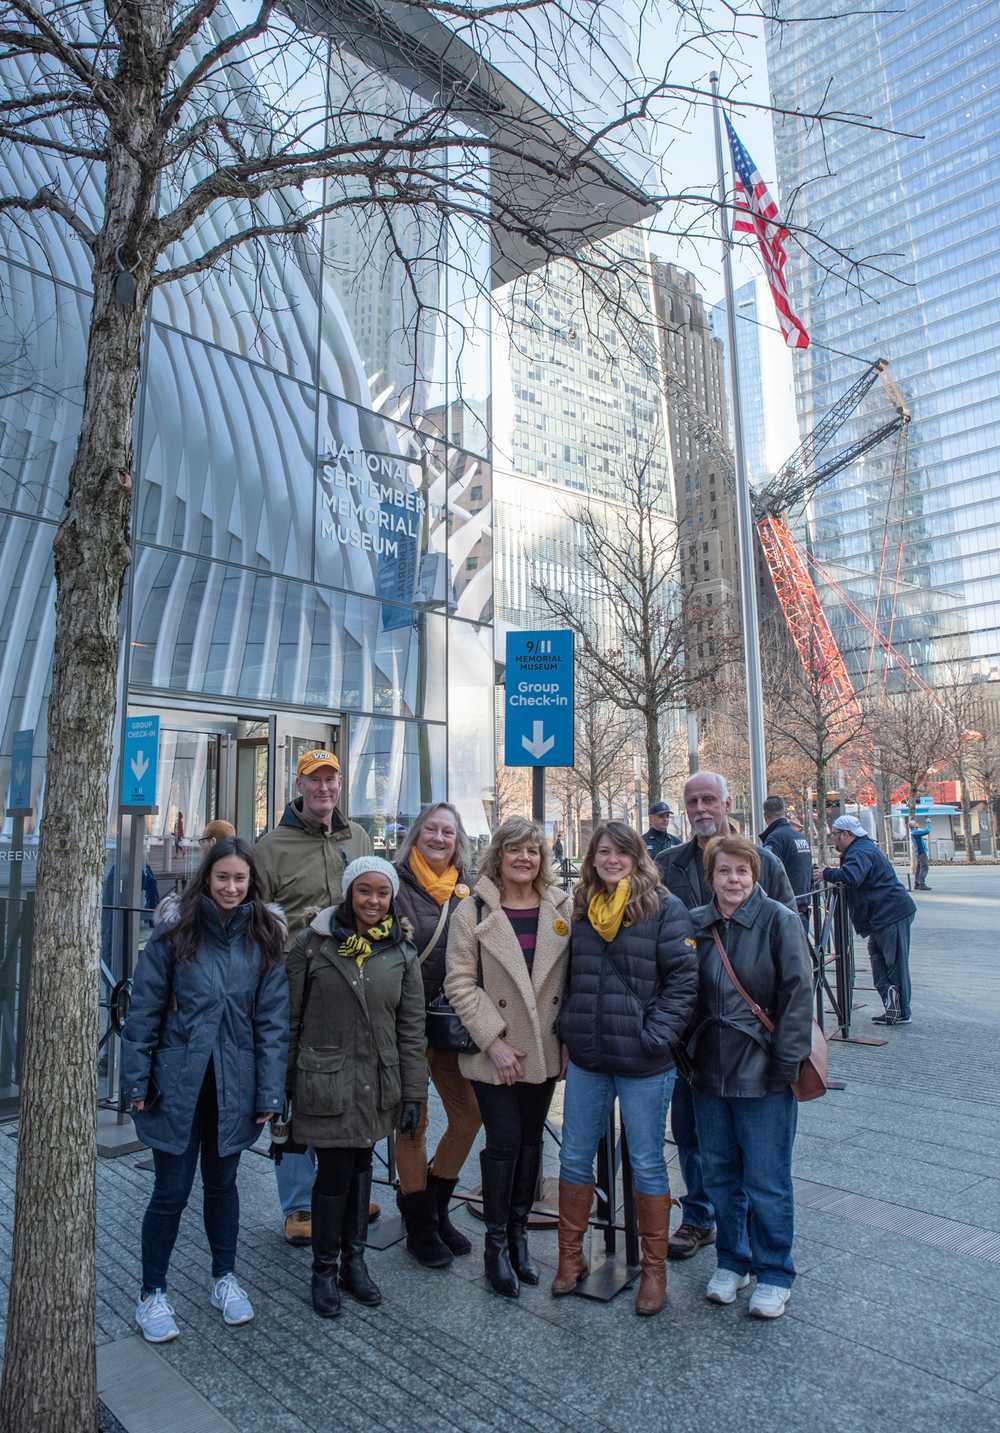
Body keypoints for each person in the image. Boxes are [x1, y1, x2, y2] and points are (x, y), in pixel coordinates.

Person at [121, 839, 289, 1344]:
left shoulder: (263, 939)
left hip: (234, 1085)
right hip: (177, 1083)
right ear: (206, 879)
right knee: (170, 1190)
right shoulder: (176, 934)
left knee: (223, 1186)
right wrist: (135, 1079)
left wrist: (270, 1093)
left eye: (240, 879)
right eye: (222, 878)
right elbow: (144, 1009)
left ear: (251, 882)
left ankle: (224, 1277)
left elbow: (273, 1023)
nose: (231, 888)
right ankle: (152, 1293)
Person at [554, 822, 697, 1316]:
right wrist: (568, 1029)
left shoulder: (664, 907)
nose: (611, 860)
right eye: (602, 852)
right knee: (573, 1157)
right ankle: (569, 1258)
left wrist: (654, 1035)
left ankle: (653, 1273)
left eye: (621, 852)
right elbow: (568, 975)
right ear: (591, 858)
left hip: (643, 1062)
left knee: (647, 1160)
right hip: (591, 1057)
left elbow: (683, 981)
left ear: (637, 857)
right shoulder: (581, 908)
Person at [656, 771, 796, 1263]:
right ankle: (699, 1216)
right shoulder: (667, 863)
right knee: (693, 1133)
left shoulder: (766, 862)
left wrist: (788, 1046)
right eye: (692, 800)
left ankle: (765, 1255)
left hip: (752, 1037)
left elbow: (793, 947)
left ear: (728, 801)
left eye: (708, 798)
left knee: (759, 1156)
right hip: (691, 1034)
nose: (699, 808)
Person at [286, 856, 427, 1318]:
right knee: (333, 1174)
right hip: (325, 1080)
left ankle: (355, 1262)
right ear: (349, 893)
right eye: (364, 891)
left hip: (376, 1080)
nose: (373, 900)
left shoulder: (401, 952)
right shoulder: (312, 946)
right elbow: (288, 1019)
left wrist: (414, 1093)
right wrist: (280, 1089)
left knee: (363, 1166)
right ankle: (324, 1268)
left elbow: (411, 1029)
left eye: (382, 893)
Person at [444, 816, 572, 1299]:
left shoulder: (561, 906)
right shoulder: (472, 911)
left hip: (541, 1049)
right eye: (515, 849)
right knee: (504, 1142)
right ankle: (495, 1245)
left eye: (533, 851)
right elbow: (458, 981)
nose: (524, 858)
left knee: (531, 1143)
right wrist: (492, 1040)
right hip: (493, 1051)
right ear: (498, 855)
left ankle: (518, 1237)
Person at [686, 834, 813, 1319]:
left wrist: (786, 1064)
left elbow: (798, 997)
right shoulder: (698, 924)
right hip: (709, 1073)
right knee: (718, 1174)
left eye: (742, 870)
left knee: (767, 1179)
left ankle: (775, 1270)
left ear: (754, 875)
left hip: (763, 1073)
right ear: (710, 876)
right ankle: (732, 1261)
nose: (733, 879)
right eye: (724, 871)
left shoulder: (780, 922)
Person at [255, 747, 374, 1244]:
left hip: (351, 986)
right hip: (294, 990)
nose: (324, 788)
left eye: (332, 780)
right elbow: (255, 925)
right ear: (299, 786)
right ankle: (300, 1203)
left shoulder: (359, 837)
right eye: (314, 780)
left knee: (343, 1085)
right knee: (296, 1093)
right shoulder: (270, 847)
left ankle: (341, 1187)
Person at [392, 803, 481, 1267]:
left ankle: (436, 1206)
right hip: (404, 1024)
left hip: (449, 1023)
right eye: (431, 829)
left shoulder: (469, 889)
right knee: (413, 1122)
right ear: (416, 834)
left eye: (448, 831)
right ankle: (418, 1225)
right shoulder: (392, 883)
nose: (440, 838)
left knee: (468, 1116)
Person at [821, 814, 916, 1025]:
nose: (833, 839)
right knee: (879, 958)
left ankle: (901, 1012)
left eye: (835, 835)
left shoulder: (860, 851)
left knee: (894, 964)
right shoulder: (861, 849)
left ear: (846, 834)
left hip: (890, 913)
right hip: (886, 914)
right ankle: (893, 1006)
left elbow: (852, 876)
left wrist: (826, 874)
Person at [760, 795, 813, 929]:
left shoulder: (775, 839)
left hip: (785, 913)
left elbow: (765, 873)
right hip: (802, 909)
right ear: (784, 812)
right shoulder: (799, 836)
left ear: (765, 816)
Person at [909, 816, 932, 890]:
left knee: (919, 868)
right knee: (924, 867)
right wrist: (928, 822)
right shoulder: (915, 832)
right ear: (913, 826)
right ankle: (922, 884)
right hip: (921, 852)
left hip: (919, 852)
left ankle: (917, 883)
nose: (917, 823)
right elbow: (928, 830)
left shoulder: (915, 832)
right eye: (915, 823)